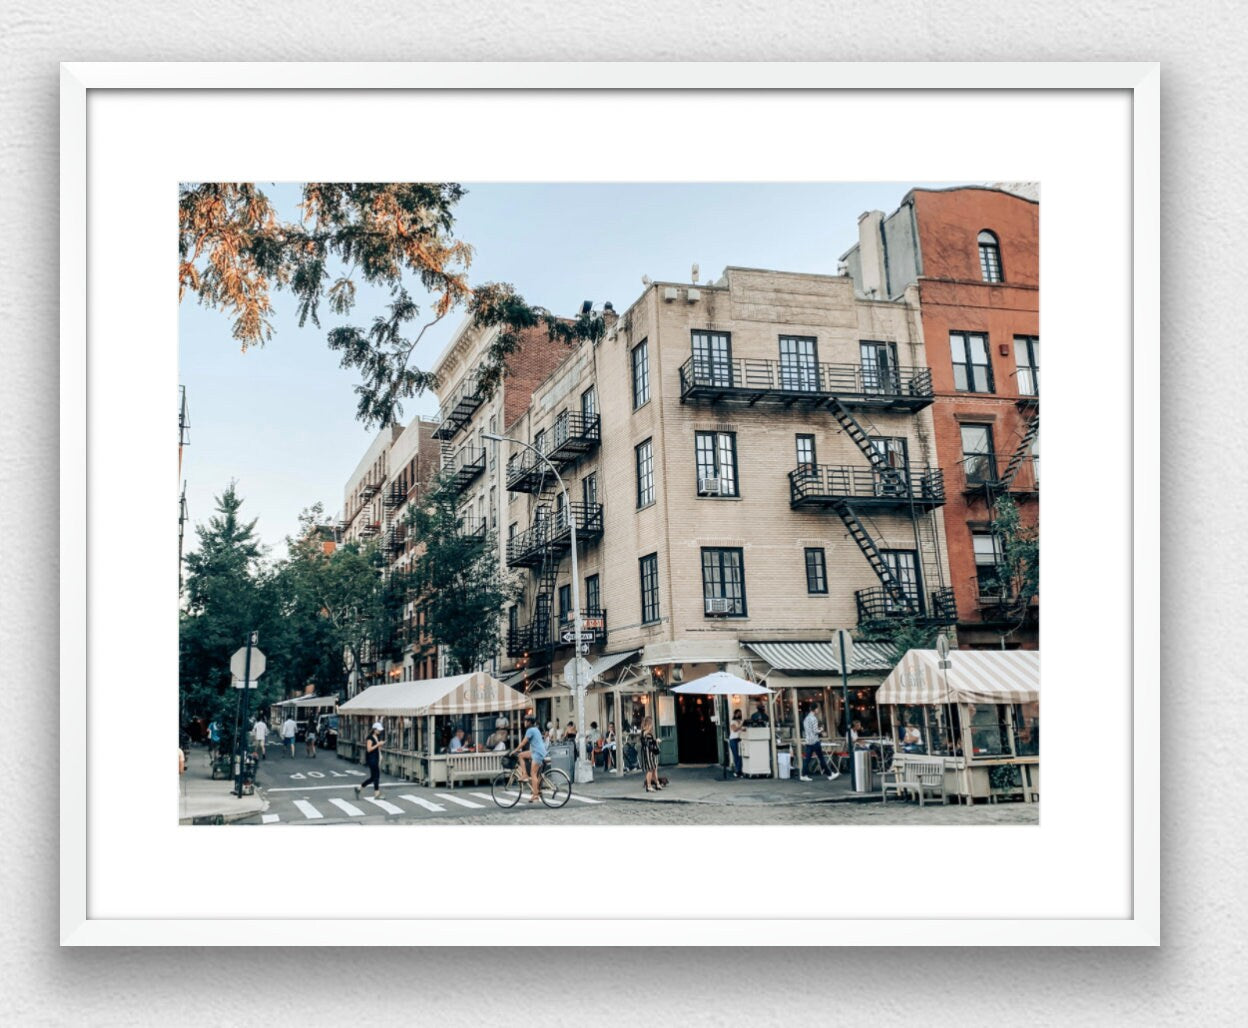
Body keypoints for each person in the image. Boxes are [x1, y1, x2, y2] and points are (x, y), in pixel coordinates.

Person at [511, 714, 547, 803]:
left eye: (526, 721)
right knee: (521, 755)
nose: (524, 722)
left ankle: (535, 796)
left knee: (533, 773)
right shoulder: (536, 729)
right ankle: (525, 774)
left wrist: (515, 750)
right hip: (537, 751)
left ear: (529, 722)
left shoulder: (530, 730)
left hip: (537, 753)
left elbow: (523, 743)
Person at [800, 704, 838, 781]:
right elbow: (815, 731)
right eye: (817, 709)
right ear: (815, 709)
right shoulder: (813, 718)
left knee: (807, 759)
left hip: (808, 740)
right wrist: (821, 730)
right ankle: (829, 774)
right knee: (821, 758)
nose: (818, 710)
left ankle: (803, 774)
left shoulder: (806, 718)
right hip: (814, 741)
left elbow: (807, 730)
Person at [354, 722, 385, 800]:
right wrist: (378, 744)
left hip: (376, 757)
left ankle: (359, 788)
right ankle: (376, 793)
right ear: (374, 730)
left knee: (373, 777)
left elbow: (377, 748)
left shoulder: (377, 737)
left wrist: (380, 746)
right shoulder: (370, 738)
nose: (379, 731)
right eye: (378, 730)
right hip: (371, 758)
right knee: (376, 776)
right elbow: (369, 749)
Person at [639, 716, 662, 792]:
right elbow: (648, 743)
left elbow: (649, 742)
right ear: (648, 724)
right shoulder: (645, 733)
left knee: (654, 768)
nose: (652, 726)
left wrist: (655, 741)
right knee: (650, 769)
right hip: (648, 753)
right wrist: (656, 741)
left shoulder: (645, 733)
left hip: (650, 753)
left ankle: (657, 783)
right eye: (651, 724)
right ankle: (649, 785)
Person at [728, 708, 745, 778]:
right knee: (736, 756)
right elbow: (734, 729)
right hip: (733, 739)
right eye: (738, 713)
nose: (739, 714)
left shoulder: (740, 721)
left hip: (739, 739)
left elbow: (742, 729)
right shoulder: (732, 721)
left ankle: (739, 770)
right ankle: (737, 771)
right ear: (735, 714)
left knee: (740, 755)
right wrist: (741, 726)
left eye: (740, 713)